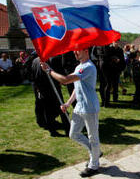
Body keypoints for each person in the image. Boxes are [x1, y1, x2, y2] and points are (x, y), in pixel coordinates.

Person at [40, 48, 101, 177]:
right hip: (79, 107)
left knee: (93, 137)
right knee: (73, 134)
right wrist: (68, 103)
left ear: (86, 51)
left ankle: (94, 165)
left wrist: (49, 70)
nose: (75, 53)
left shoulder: (89, 67)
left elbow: (65, 80)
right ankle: (95, 152)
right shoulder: (79, 66)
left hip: (90, 108)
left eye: (77, 50)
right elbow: (76, 86)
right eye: (74, 51)